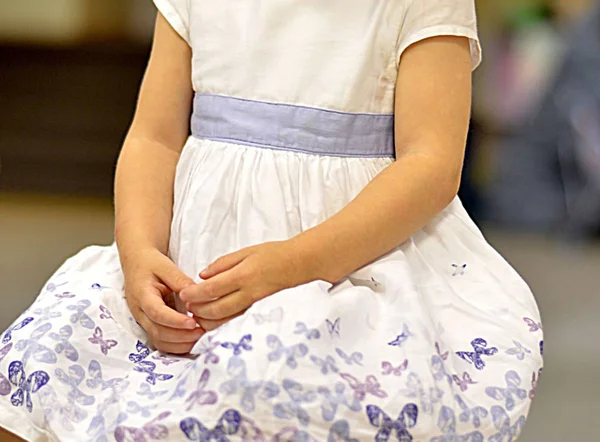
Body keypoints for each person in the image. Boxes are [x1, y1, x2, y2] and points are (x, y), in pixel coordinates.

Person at [0, 1, 543, 440]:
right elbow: (153, 138)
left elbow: (431, 165)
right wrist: (139, 253)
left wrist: (296, 264)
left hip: (348, 269)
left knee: (262, 383)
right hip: (188, 273)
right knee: (39, 355)